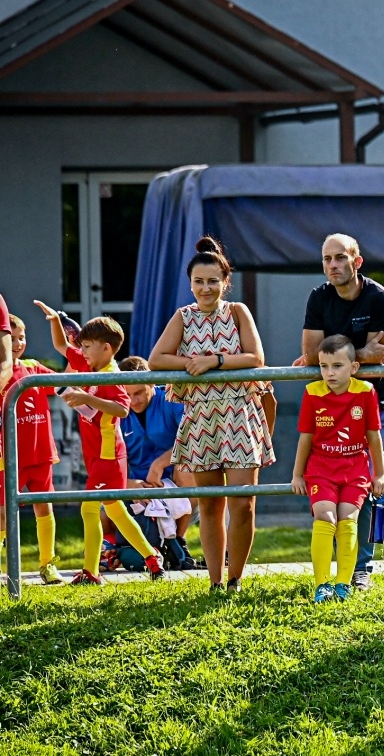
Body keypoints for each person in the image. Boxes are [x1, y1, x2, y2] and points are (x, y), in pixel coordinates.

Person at [148, 237, 271, 593]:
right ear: (190, 284)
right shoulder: (183, 317)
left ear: (225, 282)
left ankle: (236, 578)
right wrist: (190, 363)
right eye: (199, 281)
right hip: (202, 419)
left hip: (239, 415)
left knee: (243, 504)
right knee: (211, 504)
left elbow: (255, 358)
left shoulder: (238, 313)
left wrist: (214, 361)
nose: (206, 288)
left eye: (213, 281)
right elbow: (157, 359)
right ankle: (216, 581)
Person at [297, 233, 384, 591]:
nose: (333, 266)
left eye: (340, 258)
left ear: (357, 262)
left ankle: (362, 569)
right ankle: (330, 573)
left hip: (372, 404)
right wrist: (359, 354)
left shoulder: (379, 297)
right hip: (327, 406)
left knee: (370, 485)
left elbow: (381, 355)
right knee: (325, 490)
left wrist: (336, 354)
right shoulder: (318, 297)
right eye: (327, 259)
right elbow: (311, 355)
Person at [32, 305, 164, 585]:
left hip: (108, 456)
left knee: (88, 509)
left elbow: (122, 410)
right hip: (95, 456)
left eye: (88, 346)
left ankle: (91, 572)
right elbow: (61, 344)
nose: (83, 350)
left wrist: (87, 399)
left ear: (106, 348)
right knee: (116, 510)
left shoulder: (112, 375)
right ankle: (152, 559)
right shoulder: (88, 362)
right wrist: (56, 320)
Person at [291, 335, 384, 603]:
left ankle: (343, 584)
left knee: (348, 520)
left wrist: (379, 473)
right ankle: (322, 585)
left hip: (355, 469)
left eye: (337, 366)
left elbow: (373, 437)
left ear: (353, 368)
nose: (329, 373)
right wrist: (297, 474)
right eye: (324, 366)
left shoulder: (366, 392)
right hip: (321, 469)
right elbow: (305, 438)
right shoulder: (312, 393)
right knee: (325, 518)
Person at [118, 355, 197, 570]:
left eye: (139, 392)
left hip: (175, 480)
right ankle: (112, 551)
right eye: (127, 395)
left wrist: (160, 464)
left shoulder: (172, 399)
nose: (133, 401)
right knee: (103, 510)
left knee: (190, 468)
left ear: (152, 383)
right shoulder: (116, 410)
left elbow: (192, 438)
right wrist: (126, 483)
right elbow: (105, 457)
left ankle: (177, 542)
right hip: (139, 484)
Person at [1, 317, 63, 584]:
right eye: (11, 338)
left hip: (40, 456)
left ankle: (48, 565)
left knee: (44, 508)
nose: (18, 344)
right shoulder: (2, 376)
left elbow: (66, 384)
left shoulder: (33, 368)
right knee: (2, 514)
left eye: (21, 337)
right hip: (8, 460)